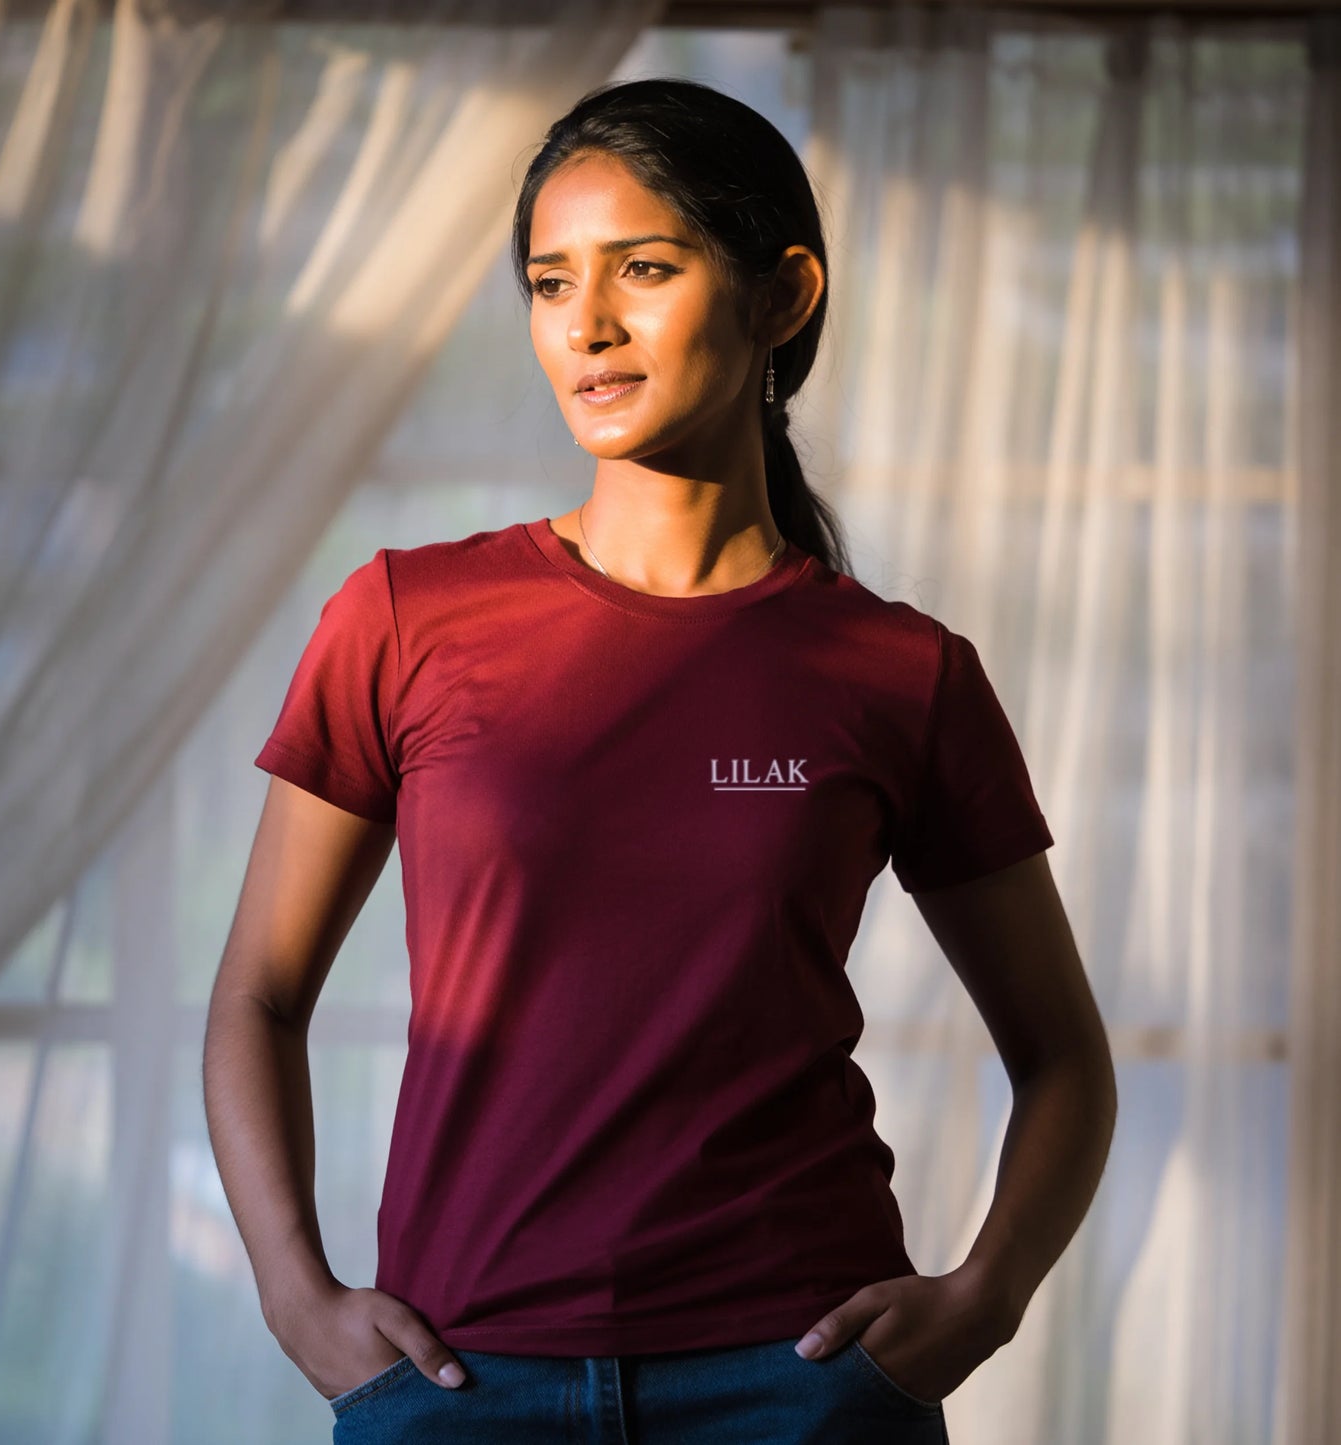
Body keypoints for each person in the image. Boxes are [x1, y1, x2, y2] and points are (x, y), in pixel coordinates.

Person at [203, 76, 1117, 1444]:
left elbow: (1061, 1056)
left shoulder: (900, 672)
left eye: (644, 268)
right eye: (548, 280)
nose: (587, 322)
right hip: (463, 1381)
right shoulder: (404, 616)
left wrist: (981, 1299)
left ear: (781, 295)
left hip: (797, 1386)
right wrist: (295, 1295)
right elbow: (259, 995)